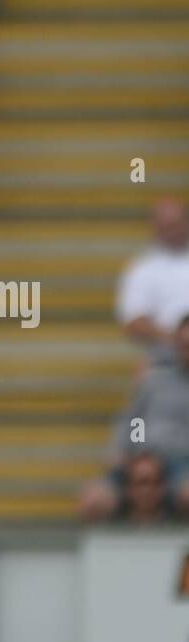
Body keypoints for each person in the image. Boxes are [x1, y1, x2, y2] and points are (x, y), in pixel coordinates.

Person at [79, 314, 189, 523]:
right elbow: (133, 419)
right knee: (94, 501)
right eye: (184, 345)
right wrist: (129, 451)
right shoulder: (155, 381)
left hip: (182, 467)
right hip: (140, 459)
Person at [116, 197, 189, 360]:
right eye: (168, 227)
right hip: (168, 361)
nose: (174, 231)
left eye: (178, 225)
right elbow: (133, 321)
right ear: (155, 228)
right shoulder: (142, 269)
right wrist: (178, 340)